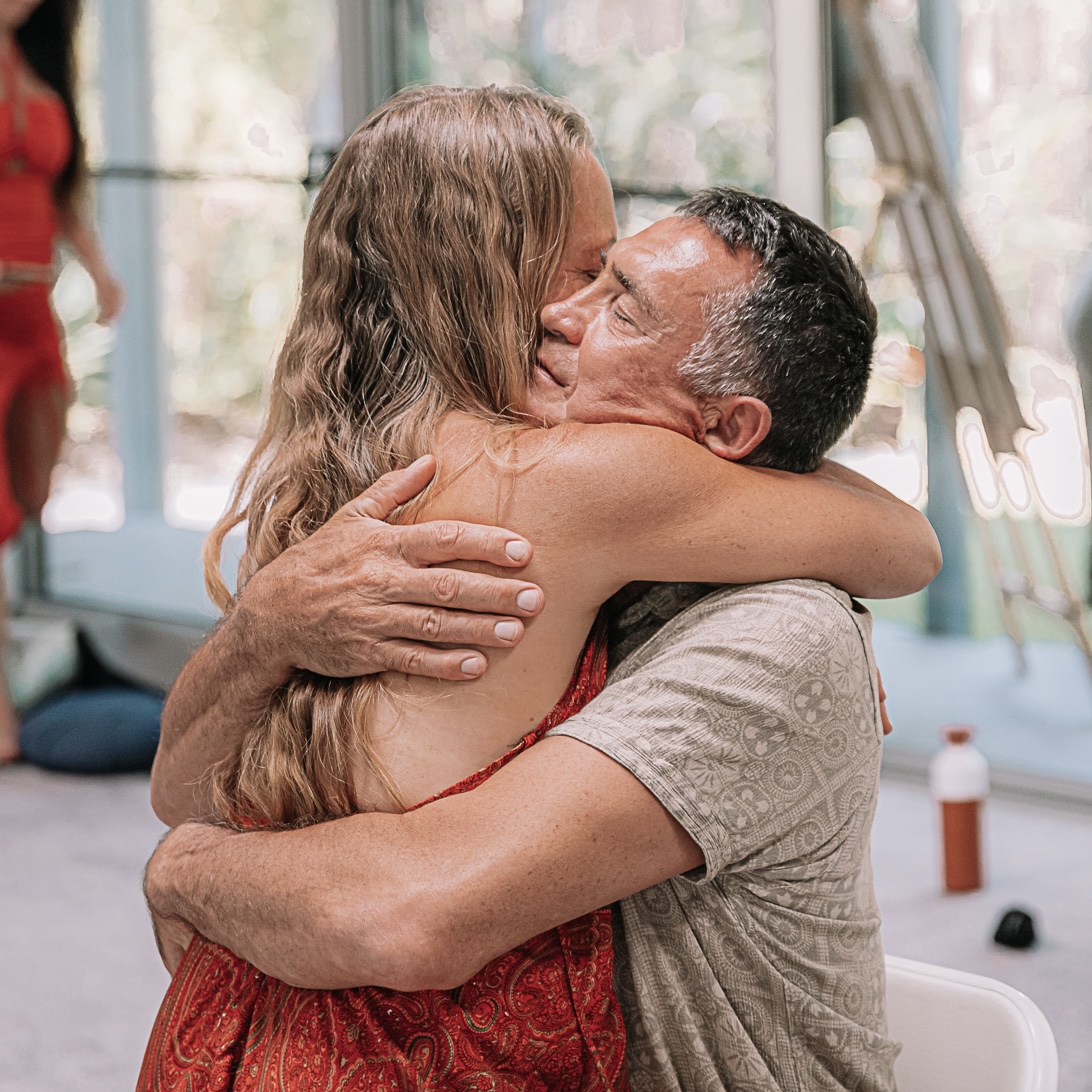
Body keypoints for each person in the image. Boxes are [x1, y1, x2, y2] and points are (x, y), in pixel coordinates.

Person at [143, 86, 939, 1090]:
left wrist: (185, 862)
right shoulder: (544, 491)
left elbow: (181, 799)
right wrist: (262, 628)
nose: (572, 316)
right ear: (485, 285)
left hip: (225, 1022)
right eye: (584, 273)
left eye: (615, 296)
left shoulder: (344, 485)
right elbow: (908, 545)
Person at [0, 0, 123, 761]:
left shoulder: (42, 67)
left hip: (32, 310)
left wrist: (99, 269)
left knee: (34, 491)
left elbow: (61, 191)